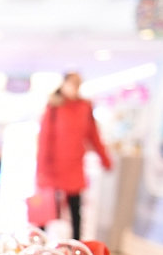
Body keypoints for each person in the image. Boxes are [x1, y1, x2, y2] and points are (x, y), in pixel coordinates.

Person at [35, 72, 112, 240]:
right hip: (53, 167)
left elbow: (93, 135)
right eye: (71, 83)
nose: (74, 88)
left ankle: (76, 247)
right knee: (46, 211)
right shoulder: (54, 107)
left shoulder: (84, 107)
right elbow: (45, 139)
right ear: (64, 84)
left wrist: (105, 159)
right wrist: (41, 170)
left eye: (77, 84)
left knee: (75, 211)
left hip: (74, 166)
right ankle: (38, 245)